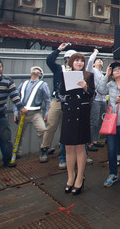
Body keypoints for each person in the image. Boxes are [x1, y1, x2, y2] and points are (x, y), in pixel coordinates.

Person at [58, 52, 94, 195]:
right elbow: (60, 92)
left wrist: (86, 87)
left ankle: (80, 177)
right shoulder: (65, 74)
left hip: (82, 112)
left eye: (81, 61)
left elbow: (93, 94)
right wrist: (65, 79)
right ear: (71, 62)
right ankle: (70, 176)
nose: (79, 63)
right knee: (68, 147)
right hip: (69, 112)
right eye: (76, 60)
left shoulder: (88, 76)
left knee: (80, 146)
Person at [42, 44, 75, 170]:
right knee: (51, 125)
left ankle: (63, 156)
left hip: (69, 103)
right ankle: (44, 148)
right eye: (70, 59)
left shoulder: (77, 73)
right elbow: (49, 60)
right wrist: (58, 50)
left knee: (65, 130)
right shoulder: (58, 69)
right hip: (56, 101)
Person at [13, 66, 51, 163]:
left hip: (36, 113)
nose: (35, 72)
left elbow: (47, 100)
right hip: (23, 113)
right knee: (19, 134)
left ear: (40, 74)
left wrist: (47, 113)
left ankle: (44, 150)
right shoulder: (23, 84)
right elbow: (16, 98)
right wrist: (16, 112)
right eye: (33, 71)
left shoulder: (43, 84)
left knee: (43, 130)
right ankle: (16, 153)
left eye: (37, 71)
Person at [86, 49, 106, 151]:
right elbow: (89, 62)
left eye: (101, 60)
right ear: (94, 63)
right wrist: (95, 52)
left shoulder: (103, 74)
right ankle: (89, 142)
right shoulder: (92, 71)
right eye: (98, 60)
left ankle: (95, 140)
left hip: (102, 100)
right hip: (95, 99)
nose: (100, 61)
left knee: (99, 121)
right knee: (93, 121)